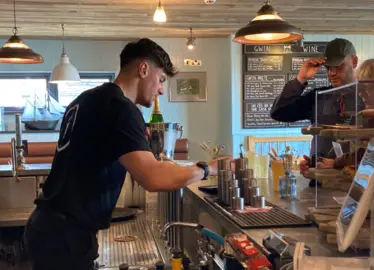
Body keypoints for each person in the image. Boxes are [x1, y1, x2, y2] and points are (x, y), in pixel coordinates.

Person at [23, 38, 230, 270]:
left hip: (49, 226)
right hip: (66, 236)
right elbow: (154, 178)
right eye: (161, 79)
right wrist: (207, 169)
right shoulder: (120, 107)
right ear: (144, 69)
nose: (161, 89)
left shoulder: (88, 99)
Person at [269, 38, 360, 183]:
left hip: (353, 183)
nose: (332, 73)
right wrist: (301, 78)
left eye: (339, 66)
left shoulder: (367, 97)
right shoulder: (319, 96)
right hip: (319, 184)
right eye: (328, 67)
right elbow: (279, 113)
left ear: (354, 62)